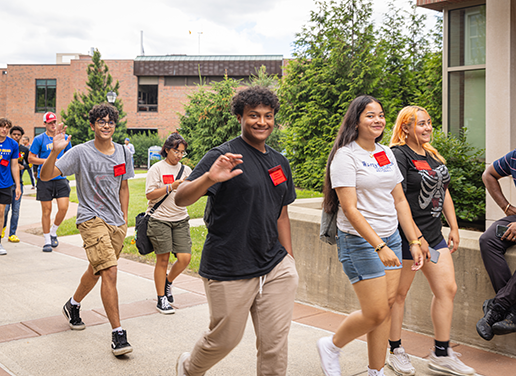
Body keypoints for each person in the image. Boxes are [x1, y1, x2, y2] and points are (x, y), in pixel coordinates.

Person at [174, 86, 298, 376]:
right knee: (225, 339)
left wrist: (289, 258)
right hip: (230, 263)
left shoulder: (280, 162)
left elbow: (282, 213)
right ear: (240, 117)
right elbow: (182, 198)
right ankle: (190, 368)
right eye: (253, 115)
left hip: (275, 265)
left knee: (274, 344)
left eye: (268, 116)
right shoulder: (224, 155)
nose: (261, 122)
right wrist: (208, 177)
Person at [316, 95, 424, 376]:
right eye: (370, 116)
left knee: (386, 308)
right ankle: (332, 344)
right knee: (376, 311)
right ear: (356, 120)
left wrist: (413, 240)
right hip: (360, 242)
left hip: (391, 238)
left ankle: (375, 371)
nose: (378, 120)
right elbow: (350, 209)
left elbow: (400, 200)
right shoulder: (346, 156)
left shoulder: (385, 152)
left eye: (381, 115)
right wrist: (379, 246)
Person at [40, 103, 134, 356]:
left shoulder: (124, 152)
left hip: (116, 222)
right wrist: (54, 153)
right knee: (110, 272)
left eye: (110, 122)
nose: (106, 125)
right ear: (92, 125)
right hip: (90, 218)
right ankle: (118, 334)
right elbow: (46, 176)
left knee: (97, 270)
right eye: (101, 121)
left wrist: (124, 220)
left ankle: (73, 305)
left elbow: (124, 187)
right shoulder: (80, 152)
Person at [387, 106, 475, 376]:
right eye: (421, 124)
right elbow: (398, 199)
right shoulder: (398, 155)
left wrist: (454, 226)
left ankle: (441, 352)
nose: (427, 128)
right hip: (406, 237)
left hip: (435, 236)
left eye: (429, 123)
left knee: (447, 289)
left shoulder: (433, 155)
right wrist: (417, 237)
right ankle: (395, 350)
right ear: (405, 128)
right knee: (398, 296)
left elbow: (444, 192)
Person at [145, 132, 192, 314]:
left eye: (182, 152)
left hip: (180, 219)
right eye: (176, 151)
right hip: (160, 219)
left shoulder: (186, 171)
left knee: (184, 258)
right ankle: (161, 299)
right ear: (167, 149)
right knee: (162, 259)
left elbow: (189, 194)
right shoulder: (157, 169)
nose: (179, 155)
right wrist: (171, 186)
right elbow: (149, 195)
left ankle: (168, 282)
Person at [477, 146, 516, 340]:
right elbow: (488, 174)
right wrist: (506, 207)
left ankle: (498, 307)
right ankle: (512, 311)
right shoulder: (514, 157)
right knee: (488, 240)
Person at [28, 112, 71, 252]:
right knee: (47, 210)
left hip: (60, 178)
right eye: (50, 122)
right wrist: (49, 161)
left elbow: (69, 156)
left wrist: (62, 163)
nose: (53, 125)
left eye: (54, 122)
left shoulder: (64, 138)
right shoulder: (39, 139)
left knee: (63, 208)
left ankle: (53, 231)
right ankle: (47, 240)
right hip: (44, 179)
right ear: (44, 124)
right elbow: (31, 158)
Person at [3, 126, 28, 243]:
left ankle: (12, 233)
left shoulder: (24, 149)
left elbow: (30, 163)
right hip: (6, 183)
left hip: (18, 182)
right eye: (14, 134)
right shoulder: (7, 145)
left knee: (16, 210)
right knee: (5, 209)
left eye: (19, 135)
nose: (16, 136)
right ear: (10, 134)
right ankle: (2, 228)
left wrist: (23, 166)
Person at [0, 119, 21, 256]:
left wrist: (18, 185)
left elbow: (14, 166)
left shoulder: (13, 144)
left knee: (1, 212)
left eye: (7, 127)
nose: (4, 130)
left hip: (5, 184)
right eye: (1, 127)